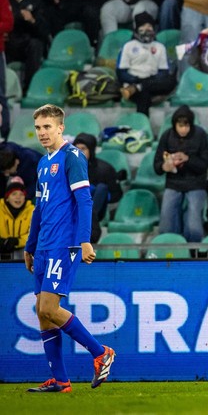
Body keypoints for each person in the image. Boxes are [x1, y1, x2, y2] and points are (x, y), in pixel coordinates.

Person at [23, 104, 115, 393]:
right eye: (38, 127)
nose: (42, 133)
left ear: (60, 127)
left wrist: (84, 240)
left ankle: (101, 352)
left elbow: (85, 200)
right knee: (42, 311)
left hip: (65, 244)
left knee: (50, 307)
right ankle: (61, 381)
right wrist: (30, 244)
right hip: (43, 246)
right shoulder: (42, 163)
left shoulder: (73, 156)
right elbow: (39, 208)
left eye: (47, 127)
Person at [153, 105, 208, 242]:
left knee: (193, 225)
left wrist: (188, 159)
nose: (183, 129)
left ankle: (192, 256)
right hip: (173, 183)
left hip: (196, 183)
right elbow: (156, 165)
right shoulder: (167, 136)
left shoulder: (200, 135)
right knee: (166, 223)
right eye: (180, 126)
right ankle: (170, 252)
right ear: (175, 125)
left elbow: (205, 163)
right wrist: (164, 166)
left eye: (186, 126)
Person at [116, 12, 176, 115]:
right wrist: (136, 80)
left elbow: (164, 72)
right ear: (137, 29)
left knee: (171, 81)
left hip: (153, 82)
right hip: (132, 81)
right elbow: (121, 72)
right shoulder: (128, 46)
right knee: (144, 94)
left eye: (149, 26)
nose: (146, 29)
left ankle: (139, 87)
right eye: (143, 26)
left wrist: (143, 83)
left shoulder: (159, 47)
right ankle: (141, 125)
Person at [71, 134, 123, 244]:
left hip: (98, 208)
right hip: (75, 207)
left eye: (83, 149)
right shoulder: (68, 169)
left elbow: (117, 194)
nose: (79, 152)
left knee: (100, 188)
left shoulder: (104, 169)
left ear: (91, 150)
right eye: (76, 149)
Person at [5, 0, 48, 90]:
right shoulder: (5, 1)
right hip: (10, 43)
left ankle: (30, 87)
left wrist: (32, 20)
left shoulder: (37, 1)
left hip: (28, 43)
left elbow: (45, 31)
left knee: (35, 44)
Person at [0, 175, 34, 259]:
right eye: (14, 194)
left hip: (23, 253)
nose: (18, 197)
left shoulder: (32, 211)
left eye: (21, 194)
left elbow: (35, 234)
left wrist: (18, 241)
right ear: (7, 198)